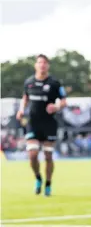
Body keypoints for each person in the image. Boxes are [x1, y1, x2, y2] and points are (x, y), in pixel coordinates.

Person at [16, 54, 67, 196]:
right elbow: (25, 98)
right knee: (32, 155)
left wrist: (56, 107)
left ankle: (48, 184)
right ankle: (38, 178)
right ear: (36, 65)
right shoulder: (29, 82)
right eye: (39, 62)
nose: (42, 65)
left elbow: (64, 101)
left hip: (49, 124)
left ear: (48, 65)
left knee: (48, 156)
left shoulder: (54, 83)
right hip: (33, 123)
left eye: (44, 62)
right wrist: (21, 110)